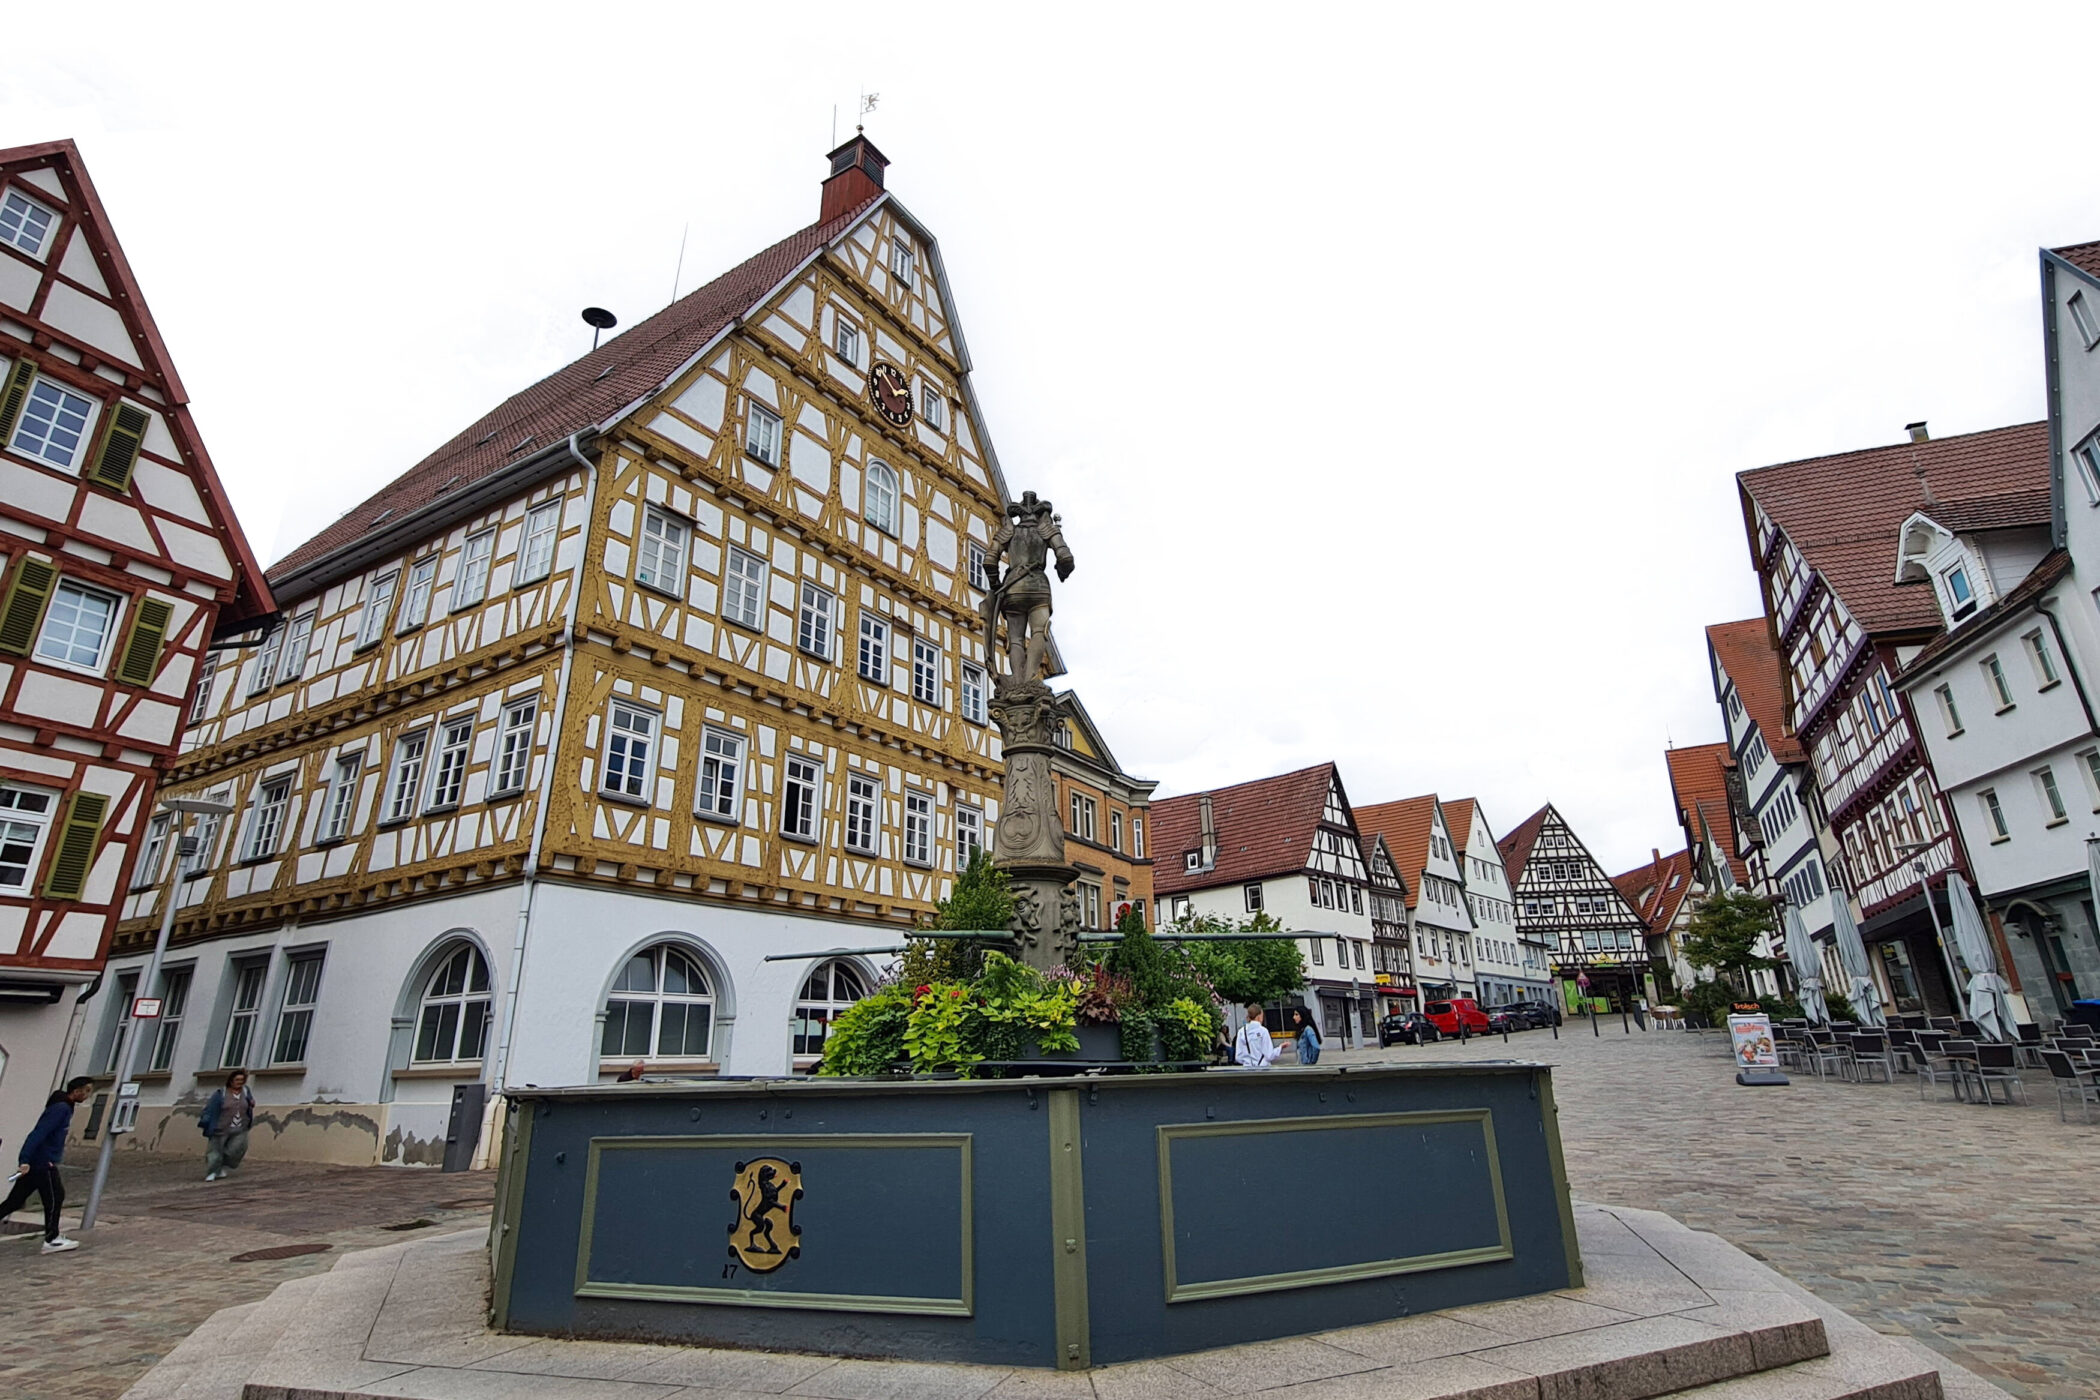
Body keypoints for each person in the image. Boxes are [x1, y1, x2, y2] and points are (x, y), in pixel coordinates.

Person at [3, 1076, 92, 1253]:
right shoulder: (61, 1109)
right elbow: (38, 1133)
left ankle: (52, 1237)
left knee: (14, 1202)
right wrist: (25, 1159)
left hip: (39, 1160)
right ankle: (52, 1239)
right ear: (77, 1091)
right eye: (87, 1091)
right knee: (55, 1197)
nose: (88, 1095)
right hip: (42, 1162)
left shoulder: (64, 1106)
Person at [199, 1069, 255, 1181]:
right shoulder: (221, 1093)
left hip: (240, 1127)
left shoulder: (245, 1091)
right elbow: (210, 1109)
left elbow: (249, 1101)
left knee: (237, 1149)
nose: (239, 1082)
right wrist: (206, 1121)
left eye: (242, 1080)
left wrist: (251, 1103)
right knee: (215, 1151)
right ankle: (212, 1172)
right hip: (221, 1127)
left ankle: (221, 1165)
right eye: (237, 1080)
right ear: (231, 1081)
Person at [1233, 1004, 1280, 1069]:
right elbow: (1269, 1055)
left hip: (1247, 1069)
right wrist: (1279, 1048)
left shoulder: (1241, 1031)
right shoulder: (1263, 1031)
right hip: (1263, 1069)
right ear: (1259, 1016)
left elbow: (1238, 1057)